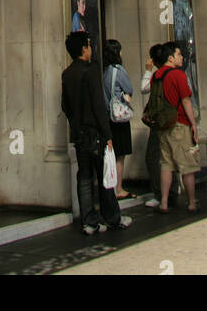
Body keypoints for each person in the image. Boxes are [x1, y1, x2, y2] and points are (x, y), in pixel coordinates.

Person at [61, 31, 131, 235]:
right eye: (89, 45)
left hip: (79, 133)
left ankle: (89, 220)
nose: (91, 49)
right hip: (95, 132)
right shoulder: (91, 70)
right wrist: (107, 134)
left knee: (84, 175)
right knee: (105, 176)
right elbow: (99, 105)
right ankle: (112, 218)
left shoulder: (67, 73)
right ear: (84, 49)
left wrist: (75, 122)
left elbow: (65, 105)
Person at [147, 41, 200, 214]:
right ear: (171, 57)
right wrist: (193, 124)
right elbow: (185, 100)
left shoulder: (156, 75)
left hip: (163, 125)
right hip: (179, 123)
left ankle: (163, 202)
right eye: (179, 54)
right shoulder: (178, 75)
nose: (182, 57)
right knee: (187, 165)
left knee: (166, 163)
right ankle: (191, 202)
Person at [102, 38, 134, 199]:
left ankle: (110, 187)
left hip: (107, 117)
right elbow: (129, 89)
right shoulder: (118, 70)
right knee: (120, 155)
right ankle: (118, 188)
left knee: (111, 154)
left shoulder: (105, 71)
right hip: (119, 117)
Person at [141, 44, 166, 207]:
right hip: (172, 120)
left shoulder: (158, 75)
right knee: (167, 157)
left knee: (153, 157)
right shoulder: (175, 73)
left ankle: (160, 194)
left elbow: (144, 88)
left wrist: (148, 70)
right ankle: (170, 191)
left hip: (160, 121)